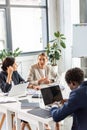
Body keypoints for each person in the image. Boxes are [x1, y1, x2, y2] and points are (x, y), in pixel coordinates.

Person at [27, 53, 60, 130]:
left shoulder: (49, 67)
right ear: (37, 59)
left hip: (48, 89)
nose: (41, 61)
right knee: (44, 107)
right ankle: (45, 124)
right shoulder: (33, 68)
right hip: (38, 91)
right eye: (40, 59)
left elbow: (57, 76)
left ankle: (56, 123)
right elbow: (28, 81)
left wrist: (50, 80)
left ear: (47, 60)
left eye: (43, 59)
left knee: (56, 102)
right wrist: (39, 81)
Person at [0, 57, 31, 130]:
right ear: (9, 66)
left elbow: (23, 81)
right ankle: (17, 126)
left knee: (27, 108)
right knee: (22, 109)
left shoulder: (15, 72)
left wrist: (30, 85)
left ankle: (19, 126)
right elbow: (5, 90)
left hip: (18, 97)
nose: (17, 65)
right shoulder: (1, 75)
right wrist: (9, 74)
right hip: (8, 101)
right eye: (15, 64)